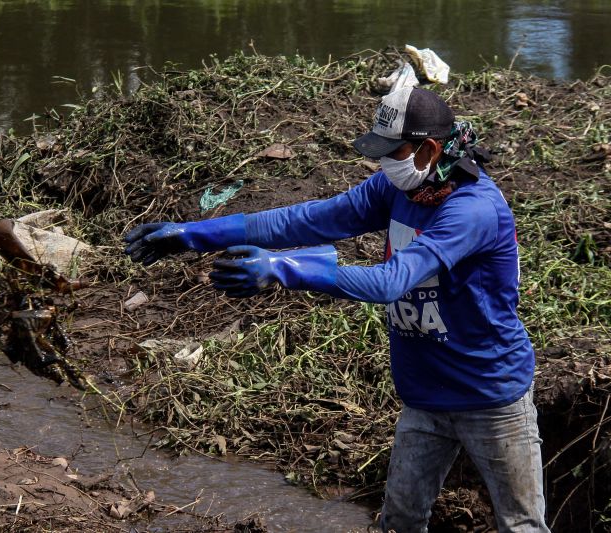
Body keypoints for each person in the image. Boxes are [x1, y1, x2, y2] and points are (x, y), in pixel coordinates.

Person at [124, 86, 549, 533]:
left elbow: (391, 283)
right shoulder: (401, 188)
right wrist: (195, 233)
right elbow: (307, 219)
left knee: (521, 527)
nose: (384, 163)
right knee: (400, 522)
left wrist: (284, 268)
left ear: (428, 149)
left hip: (491, 396)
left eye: (394, 151)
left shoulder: (473, 210)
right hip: (425, 395)